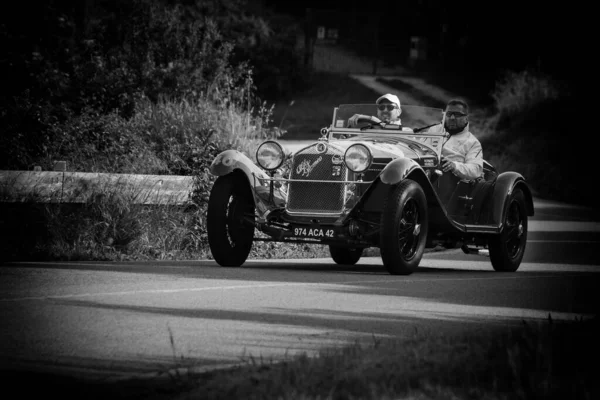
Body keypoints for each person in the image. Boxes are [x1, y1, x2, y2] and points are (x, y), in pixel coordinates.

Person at [429, 98, 483, 181]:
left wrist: (454, 166)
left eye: (457, 115)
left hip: (449, 181)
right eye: (449, 114)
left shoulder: (473, 143)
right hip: (425, 171)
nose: (452, 118)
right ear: (444, 115)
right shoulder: (433, 130)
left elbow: (475, 170)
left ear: (466, 118)